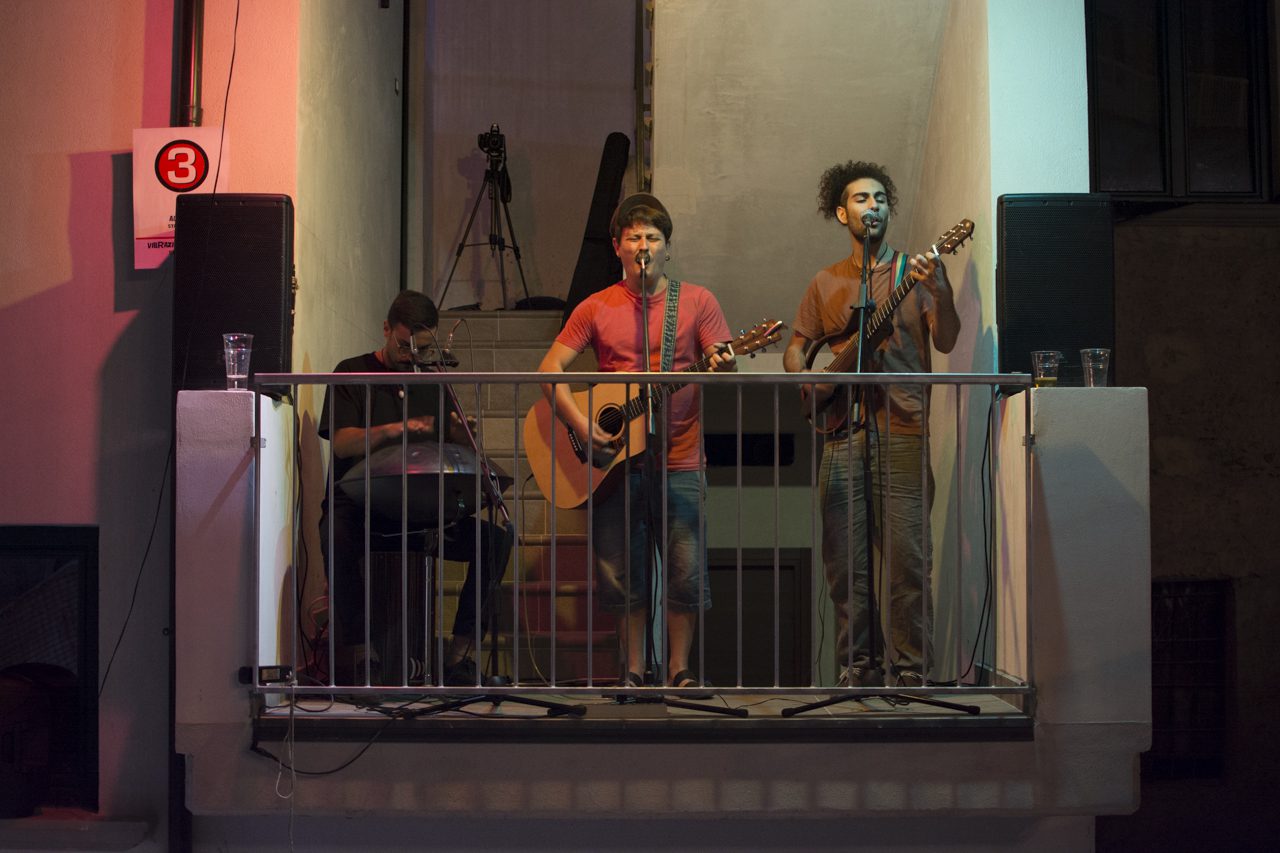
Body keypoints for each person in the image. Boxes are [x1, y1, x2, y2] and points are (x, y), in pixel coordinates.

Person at [537, 193, 735, 690]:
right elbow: (549, 368)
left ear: (667, 247)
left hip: (681, 457)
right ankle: (632, 669)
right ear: (618, 247)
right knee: (620, 573)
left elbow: (721, 360)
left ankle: (679, 669)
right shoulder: (597, 305)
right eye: (634, 237)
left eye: (653, 237)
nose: (643, 245)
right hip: (616, 464)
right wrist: (582, 424)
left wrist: (724, 362)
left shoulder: (697, 302)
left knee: (685, 570)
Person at [782, 161, 961, 689]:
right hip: (840, 433)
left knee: (907, 561)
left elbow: (946, 340)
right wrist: (806, 380)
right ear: (842, 213)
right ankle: (857, 671)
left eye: (881, 198)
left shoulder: (915, 272)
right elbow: (796, 347)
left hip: (903, 427)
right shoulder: (826, 281)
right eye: (861, 199)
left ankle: (910, 675)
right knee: (846, 567)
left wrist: (944, 291)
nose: (873, 206)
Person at [319, 290, 513, 686]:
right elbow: (342, 443)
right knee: (334, 535)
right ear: (386, 329)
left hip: (420, 508)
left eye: (421, 348)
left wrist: (461, 434)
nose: (411, 355)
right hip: (362, 506)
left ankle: (458, 656)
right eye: (403, 345)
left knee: (494, 539)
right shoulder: (351, 372)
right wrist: (400, 429)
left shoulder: (433, 381)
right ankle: (362, 654)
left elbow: (453, 446)